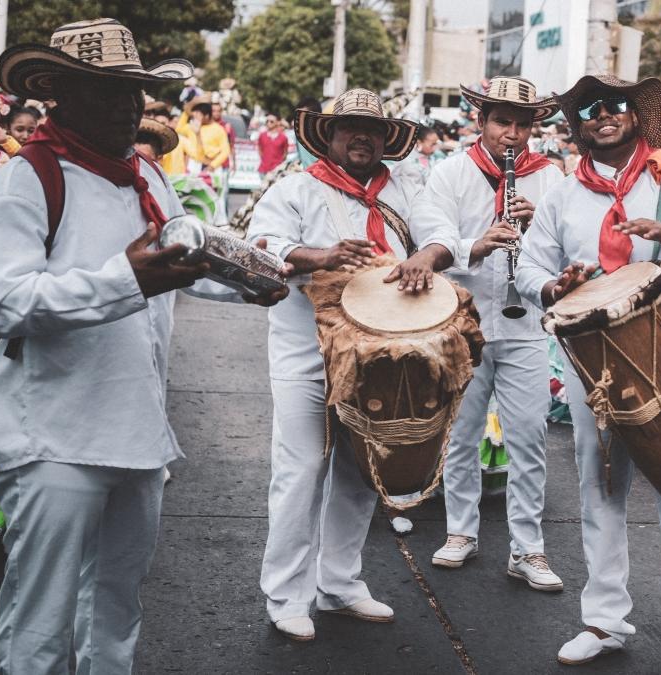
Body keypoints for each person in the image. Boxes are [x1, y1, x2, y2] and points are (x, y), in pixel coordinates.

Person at [0, 19, 286, 673]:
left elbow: (190, 259)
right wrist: (126, 278)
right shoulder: (25, 179)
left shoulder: (147, 174)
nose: (128, 106)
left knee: (116, 612)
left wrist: (258, 279)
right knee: (41, 624)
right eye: (107, 90)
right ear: (58, 93)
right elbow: (4, 302)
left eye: (134, 91)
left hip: (139, 435)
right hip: (53, 442)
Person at [515, 73, 661, 673]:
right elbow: (531, 267)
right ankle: (602, 620)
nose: (604, 114)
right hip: (592, 367)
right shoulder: (562, 195)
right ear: (577, 127)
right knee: (600, 491)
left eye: (615, 104)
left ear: (636, 115)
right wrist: (553, 284)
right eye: (590, 109)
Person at [246, 87, 423, 642]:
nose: (361, 137)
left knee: (359, 473)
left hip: (380, 360)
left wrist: (424, 258)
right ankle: (286, 595)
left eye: (371, 130)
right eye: (348, 128)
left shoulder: (405, 191)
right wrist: (320, 256)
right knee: (301, 472)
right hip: (305, 354)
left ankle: (340, 584)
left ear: (386, 140)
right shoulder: (297, 188)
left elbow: (439, 236)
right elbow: (262, 242)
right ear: (329, 135)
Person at [389, 75, 566, 591]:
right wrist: (478, 243)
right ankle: (460, 531)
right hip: (464, 323)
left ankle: (528, 548)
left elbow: (562, 253)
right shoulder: (449, 173)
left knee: (530, 437)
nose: (511, 134)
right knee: (461, 434)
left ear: (533, 127)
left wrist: (536, 230)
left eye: (521, 124)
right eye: (501, 122)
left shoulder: (550, 179)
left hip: (526, 324)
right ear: (481, 121)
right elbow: (431, 235)